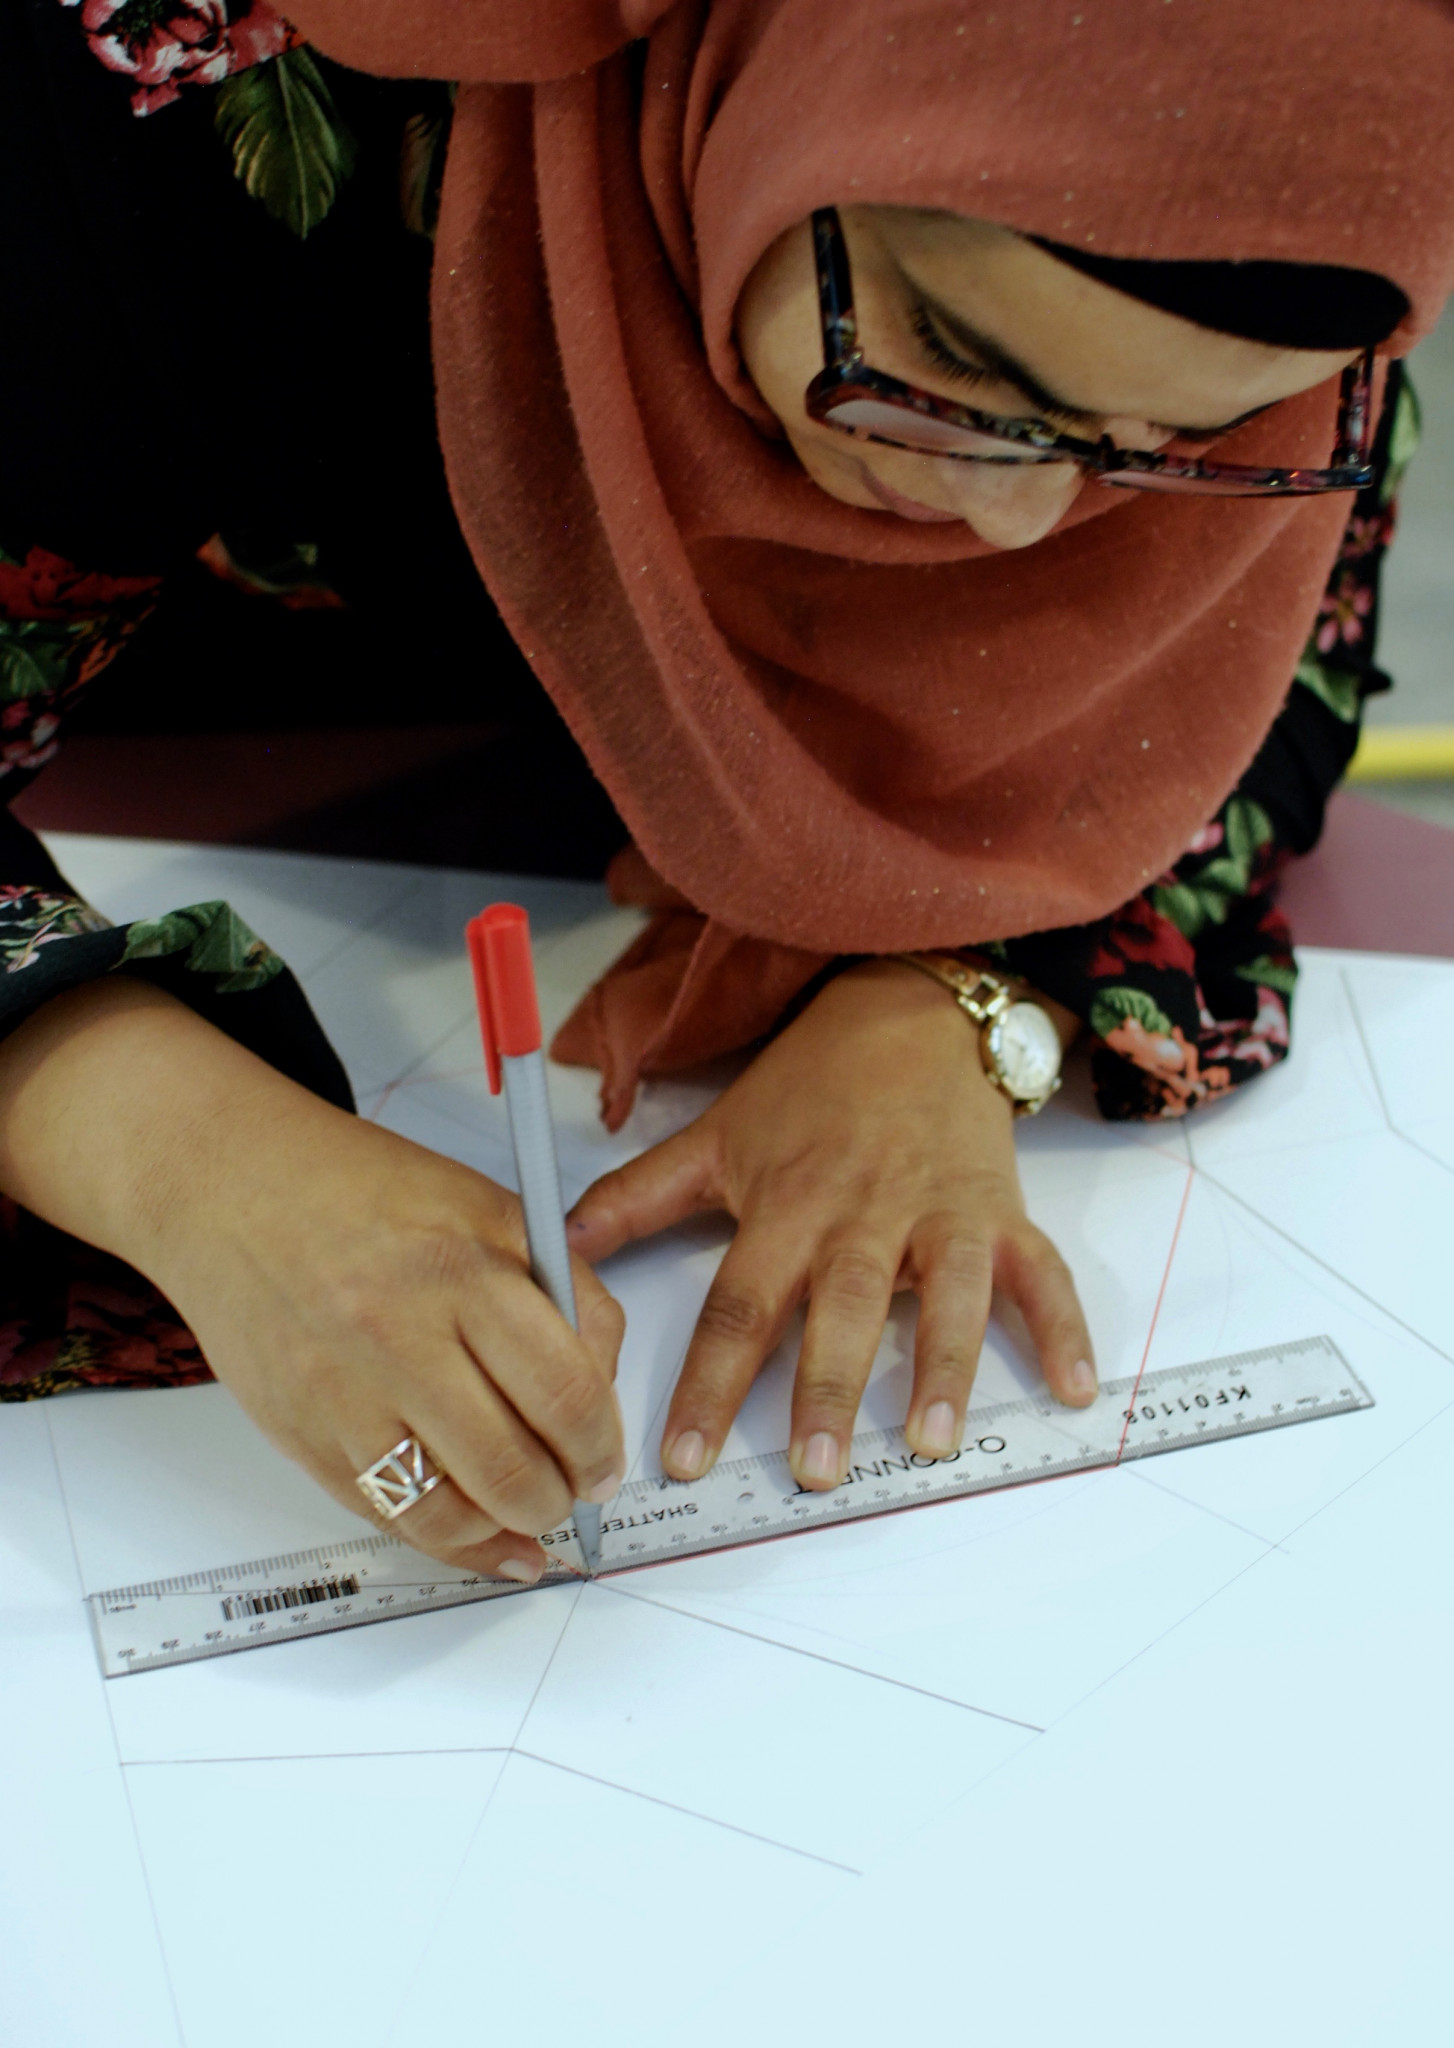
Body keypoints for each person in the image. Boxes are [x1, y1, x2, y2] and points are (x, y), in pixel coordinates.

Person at [0, 0, 1450, 1587]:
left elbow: (1261, 671)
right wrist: (170, 1145)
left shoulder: (1293, 290)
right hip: (188, 691)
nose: (1027, 526)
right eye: (957, 361)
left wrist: (943, 994)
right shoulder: (188, 103)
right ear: (780, 72)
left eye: (1181, 439)